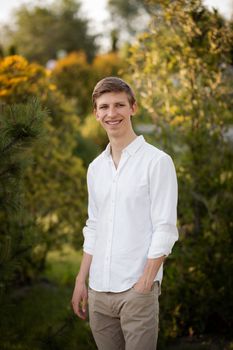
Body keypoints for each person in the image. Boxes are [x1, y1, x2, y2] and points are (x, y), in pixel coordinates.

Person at [71, 76, 178, 350]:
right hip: (98, 292)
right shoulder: (95, 169)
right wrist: (81, 280)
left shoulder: (157, 162)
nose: (111, 113)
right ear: (96, 113)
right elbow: (93, 226)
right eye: (104, 107)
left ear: (133, 107)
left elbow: (165, 228)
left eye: (119, 105)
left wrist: (145, 283)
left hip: (136, 290)